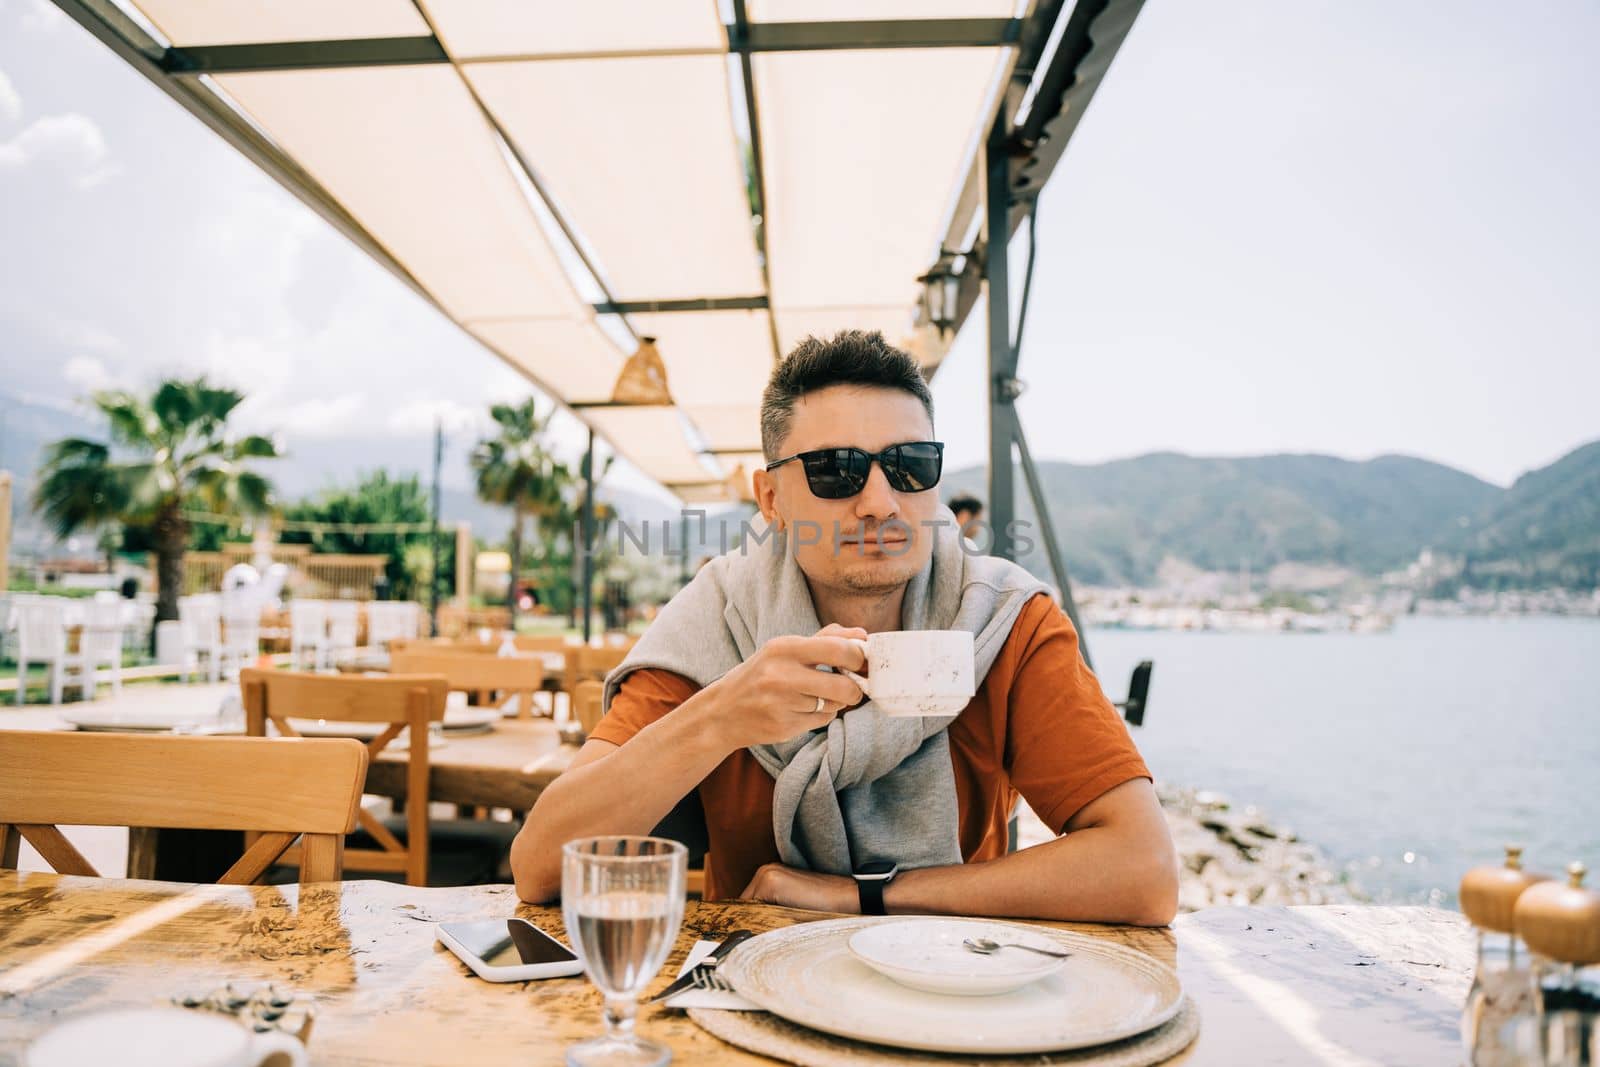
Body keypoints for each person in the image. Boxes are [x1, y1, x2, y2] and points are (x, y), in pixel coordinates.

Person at [512, 331, 1177, 925]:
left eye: (911, 464)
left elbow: (1145, 870)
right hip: (748, 999)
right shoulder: (718, 619)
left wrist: (866, 896)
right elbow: (541, 865)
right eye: (836, 470)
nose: (881, 502)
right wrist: (722, 715)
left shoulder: (1002, 619)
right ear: (770, 497)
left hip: (962, 996)